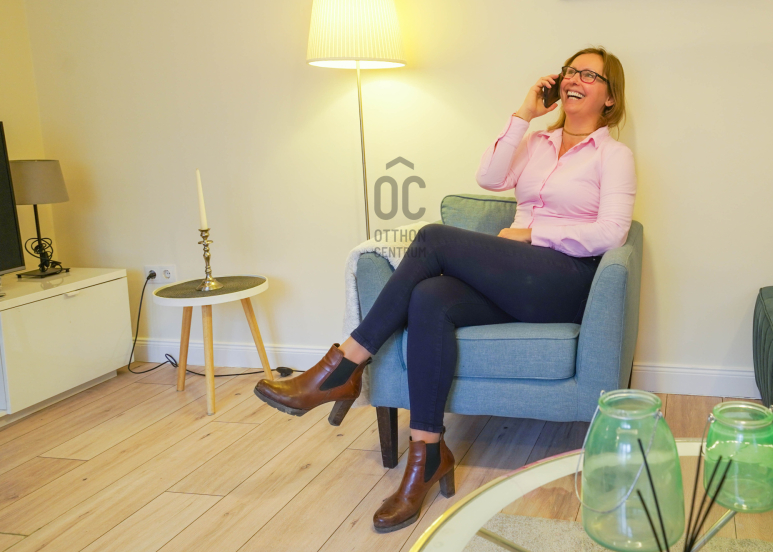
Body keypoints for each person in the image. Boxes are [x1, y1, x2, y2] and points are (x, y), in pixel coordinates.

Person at [253, 46, 637, 533]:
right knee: (429, 297)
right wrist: (523, 115)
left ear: (609, 96)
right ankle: (427, 455)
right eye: (569, 71)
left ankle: (344, 365)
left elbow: (612, 234)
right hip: (513, 279)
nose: (574, 79)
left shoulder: (614, 155)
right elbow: (489, 177)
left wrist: (534, 234)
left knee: (433, 238)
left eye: (588, 74)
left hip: (562, 281)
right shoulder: (537, 142)